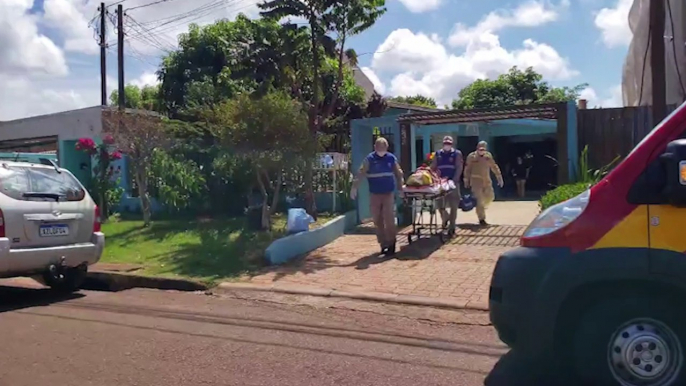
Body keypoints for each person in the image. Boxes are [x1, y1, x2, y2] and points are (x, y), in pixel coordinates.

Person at [350, 137, 404, 255]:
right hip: (375, 194)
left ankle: (391, 243)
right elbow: (361, 173)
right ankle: (383, 243)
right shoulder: (369, 159)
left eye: (383, 148)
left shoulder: (391, 158)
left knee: (389, 219)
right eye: (379, 148)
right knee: (377, 220)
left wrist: (401, 188)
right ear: (375, 148)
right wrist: (354, 187)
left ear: (387, 148)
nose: (381, 150)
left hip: (388, 193)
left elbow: (399, 173)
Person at [464, 141, 503, 226]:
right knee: (479, 200)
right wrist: (466, 179)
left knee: (490, 196)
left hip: (486, 180)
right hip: (475, 181)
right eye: (480, 148)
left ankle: (482, 207)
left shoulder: (488, 156)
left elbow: (494, 166)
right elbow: (467, 169)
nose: (481, 150)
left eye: (483, 148)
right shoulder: (472, 157)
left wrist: (499, 177)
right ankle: (481, 218)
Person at [430, 135, 463, 233]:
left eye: (449, 143)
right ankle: (445, 218)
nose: (447, 145)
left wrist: (454, 180)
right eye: (445, 143)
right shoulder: (438, 154)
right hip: (441, 183)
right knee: (439, 203)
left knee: (454, 205)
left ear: (452, 144)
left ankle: (452, 226)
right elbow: (433, 167)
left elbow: (459, 167)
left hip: (452, 182)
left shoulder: (456, 154)